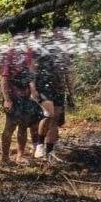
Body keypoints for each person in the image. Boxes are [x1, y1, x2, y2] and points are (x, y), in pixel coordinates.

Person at [33, 25, 73, 161]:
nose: (61, 34)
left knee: (55, 118)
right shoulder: (45, 46)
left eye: (64, 31)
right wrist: (33, 88)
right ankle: (39, 144)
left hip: (59, 88)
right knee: (48, 115)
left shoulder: (68, 49)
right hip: (44, 86)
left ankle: (50, 152)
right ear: (54, 32)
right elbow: (33, 67)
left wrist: (71, 92)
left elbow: (67, 73)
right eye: (58, 31)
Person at [0, 37, 41, 165]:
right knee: (10, 126)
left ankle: (20, 156)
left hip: (26, 96)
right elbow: (4, 79)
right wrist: (7, 99)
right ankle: (5, 158)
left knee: (24, 125)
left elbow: (31, 73)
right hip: (13, 97)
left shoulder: (27, 52)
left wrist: (33, 90)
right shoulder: (8, 54)